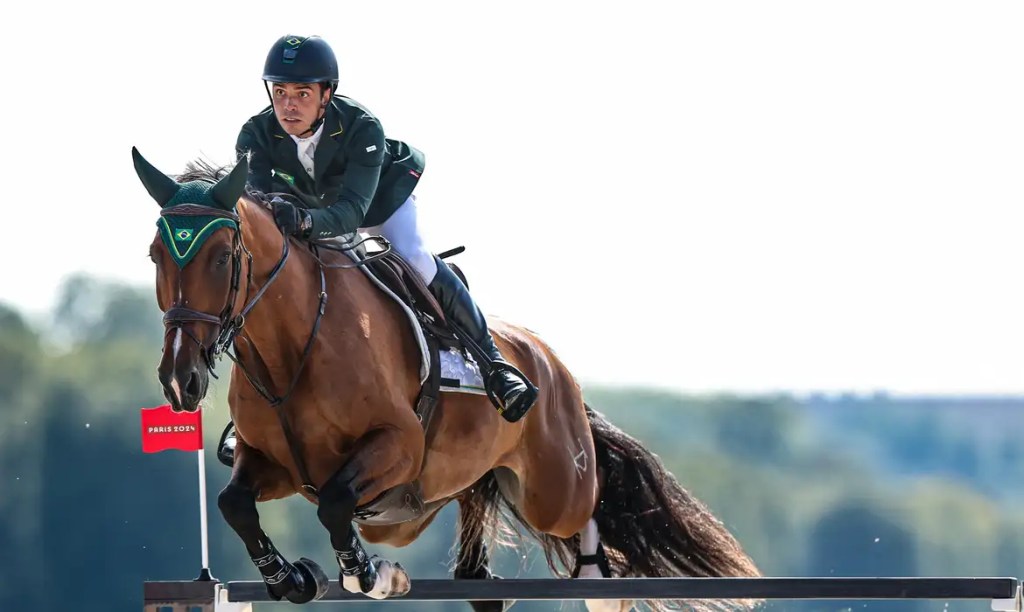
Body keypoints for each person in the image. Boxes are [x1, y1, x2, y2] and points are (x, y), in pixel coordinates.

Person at [231, 34, 537, 428]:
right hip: (309, 207)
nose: (288, 105)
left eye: (302, 93)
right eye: (280, 92)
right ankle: (255, 406)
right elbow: (257, 206)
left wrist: (305, 221)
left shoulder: (362, 127)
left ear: (326, 95)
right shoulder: (255, 133)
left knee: (414, 257)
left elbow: (351, 213)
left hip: (378, 202)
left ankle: (494, 366)